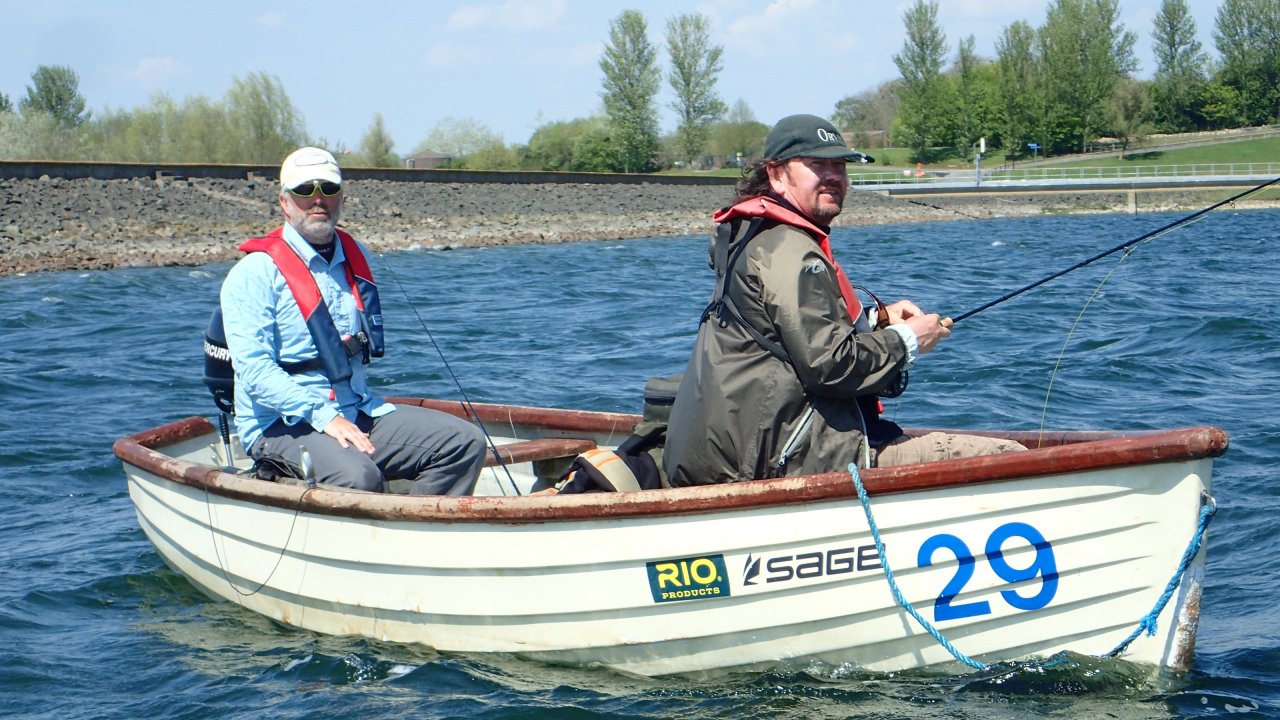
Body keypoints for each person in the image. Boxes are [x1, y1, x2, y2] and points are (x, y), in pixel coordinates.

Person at [663, 114, 1023, 486]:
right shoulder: (788, 250)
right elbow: (830, 365)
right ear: (776, 174)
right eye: (818, 165)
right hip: (783, 462)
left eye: (840, 166)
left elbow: (785, 332)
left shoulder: (753, 236)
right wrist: (908, 340)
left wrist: (873, 320)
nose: (833, 176)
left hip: (735, 454)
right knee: (1011, 457)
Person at [219, 146, 487, 495]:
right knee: (359, 476)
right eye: (305, 190)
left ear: (341, 198)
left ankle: (413, 527)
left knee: (463, 442)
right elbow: (254, 371)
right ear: (284, 201)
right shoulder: (253, 274)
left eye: (328, 189)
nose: (318, 199)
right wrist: (325, 417)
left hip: (356, 409)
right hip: (281, 425)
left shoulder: (354, 258)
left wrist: (340, 417)